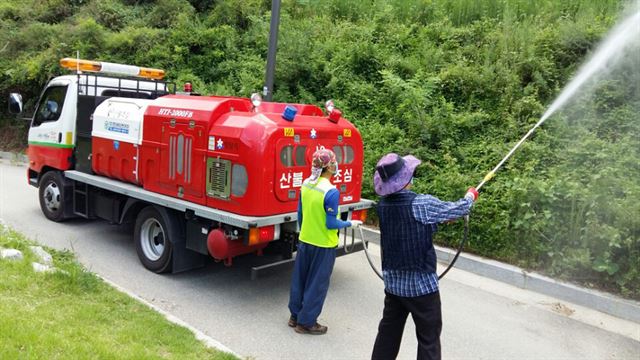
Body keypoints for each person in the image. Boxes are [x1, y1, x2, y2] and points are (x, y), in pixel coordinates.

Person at [370, 153, 478, 360]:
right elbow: (460, 208)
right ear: (406, 179)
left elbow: (405, 228)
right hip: (421, 287)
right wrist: (470, 196)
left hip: (393, 284)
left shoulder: (382, 205)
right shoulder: (422, 204)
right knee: (428, 339)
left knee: (388, 334)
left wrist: (439, 220)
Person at [288, 148, 362, 335]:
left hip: (305, 240)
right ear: (328, 167)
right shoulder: (331, 191)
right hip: (324, 244)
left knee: (300, 280)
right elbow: (331, 223)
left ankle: (295, 316)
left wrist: (305, 230)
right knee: (317, 284)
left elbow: (300, 214)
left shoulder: (306, 184)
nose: (336, 165)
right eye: (334, 162)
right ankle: (307, 323)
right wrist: (350, 223)